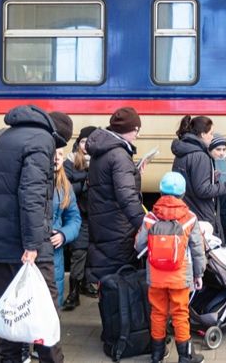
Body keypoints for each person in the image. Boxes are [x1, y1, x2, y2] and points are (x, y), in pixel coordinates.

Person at [0, 105, 73, 363]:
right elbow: (32, 196)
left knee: (11, 310)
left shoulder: (4, 137)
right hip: (26, 244)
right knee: (44, 314)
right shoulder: (41, 140)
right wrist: (33, 244)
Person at [135, 172, 205, 363]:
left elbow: (138, 245)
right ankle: (185, 356)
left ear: (160, 192)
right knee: (180, 313)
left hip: (156, 276)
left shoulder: (150, 217)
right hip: (180, 276)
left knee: (157, 313)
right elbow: (197, 250)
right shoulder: (190, 218)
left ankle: (157, 355)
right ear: (183, 193)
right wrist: (198, 273)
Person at [85, 107, 144, 284]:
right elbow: (126, 196)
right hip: (119, 228)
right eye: (136, 130)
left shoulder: (103, 151)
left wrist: (135, 173)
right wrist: (143, 224)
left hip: (103, 223)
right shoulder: (119, 155)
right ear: (130, 130)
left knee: (108, 279)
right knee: (121, 282)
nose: (138, 135)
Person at [171, 115, 226, 240]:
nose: (212, 136)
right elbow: (203, 190)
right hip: (201, 214)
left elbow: (190, 182)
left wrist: (210, 178)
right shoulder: (200, 156)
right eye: (211, 133)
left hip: (188, 211)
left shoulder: (183, 152)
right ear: (203, 134)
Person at [62, 125, 97, 309]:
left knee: (92, 252)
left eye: (90, 141)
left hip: (97, 215)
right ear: (78, 143)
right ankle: (73, 292)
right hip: (79, 215)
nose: (86, 145)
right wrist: (85, 182)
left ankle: (85, 284)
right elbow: (66, 190)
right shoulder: (69, 162)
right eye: (83, 141)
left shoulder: (100, 161)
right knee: (79, 252)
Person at [50, 142, 82, 307]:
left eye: (60, 155)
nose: (57, 158)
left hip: (55, 252)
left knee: (53, 302)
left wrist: (64, 234)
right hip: (34, 251)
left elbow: (74, 218)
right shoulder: (34, 182)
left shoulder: (65, 185)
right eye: (53, 154)